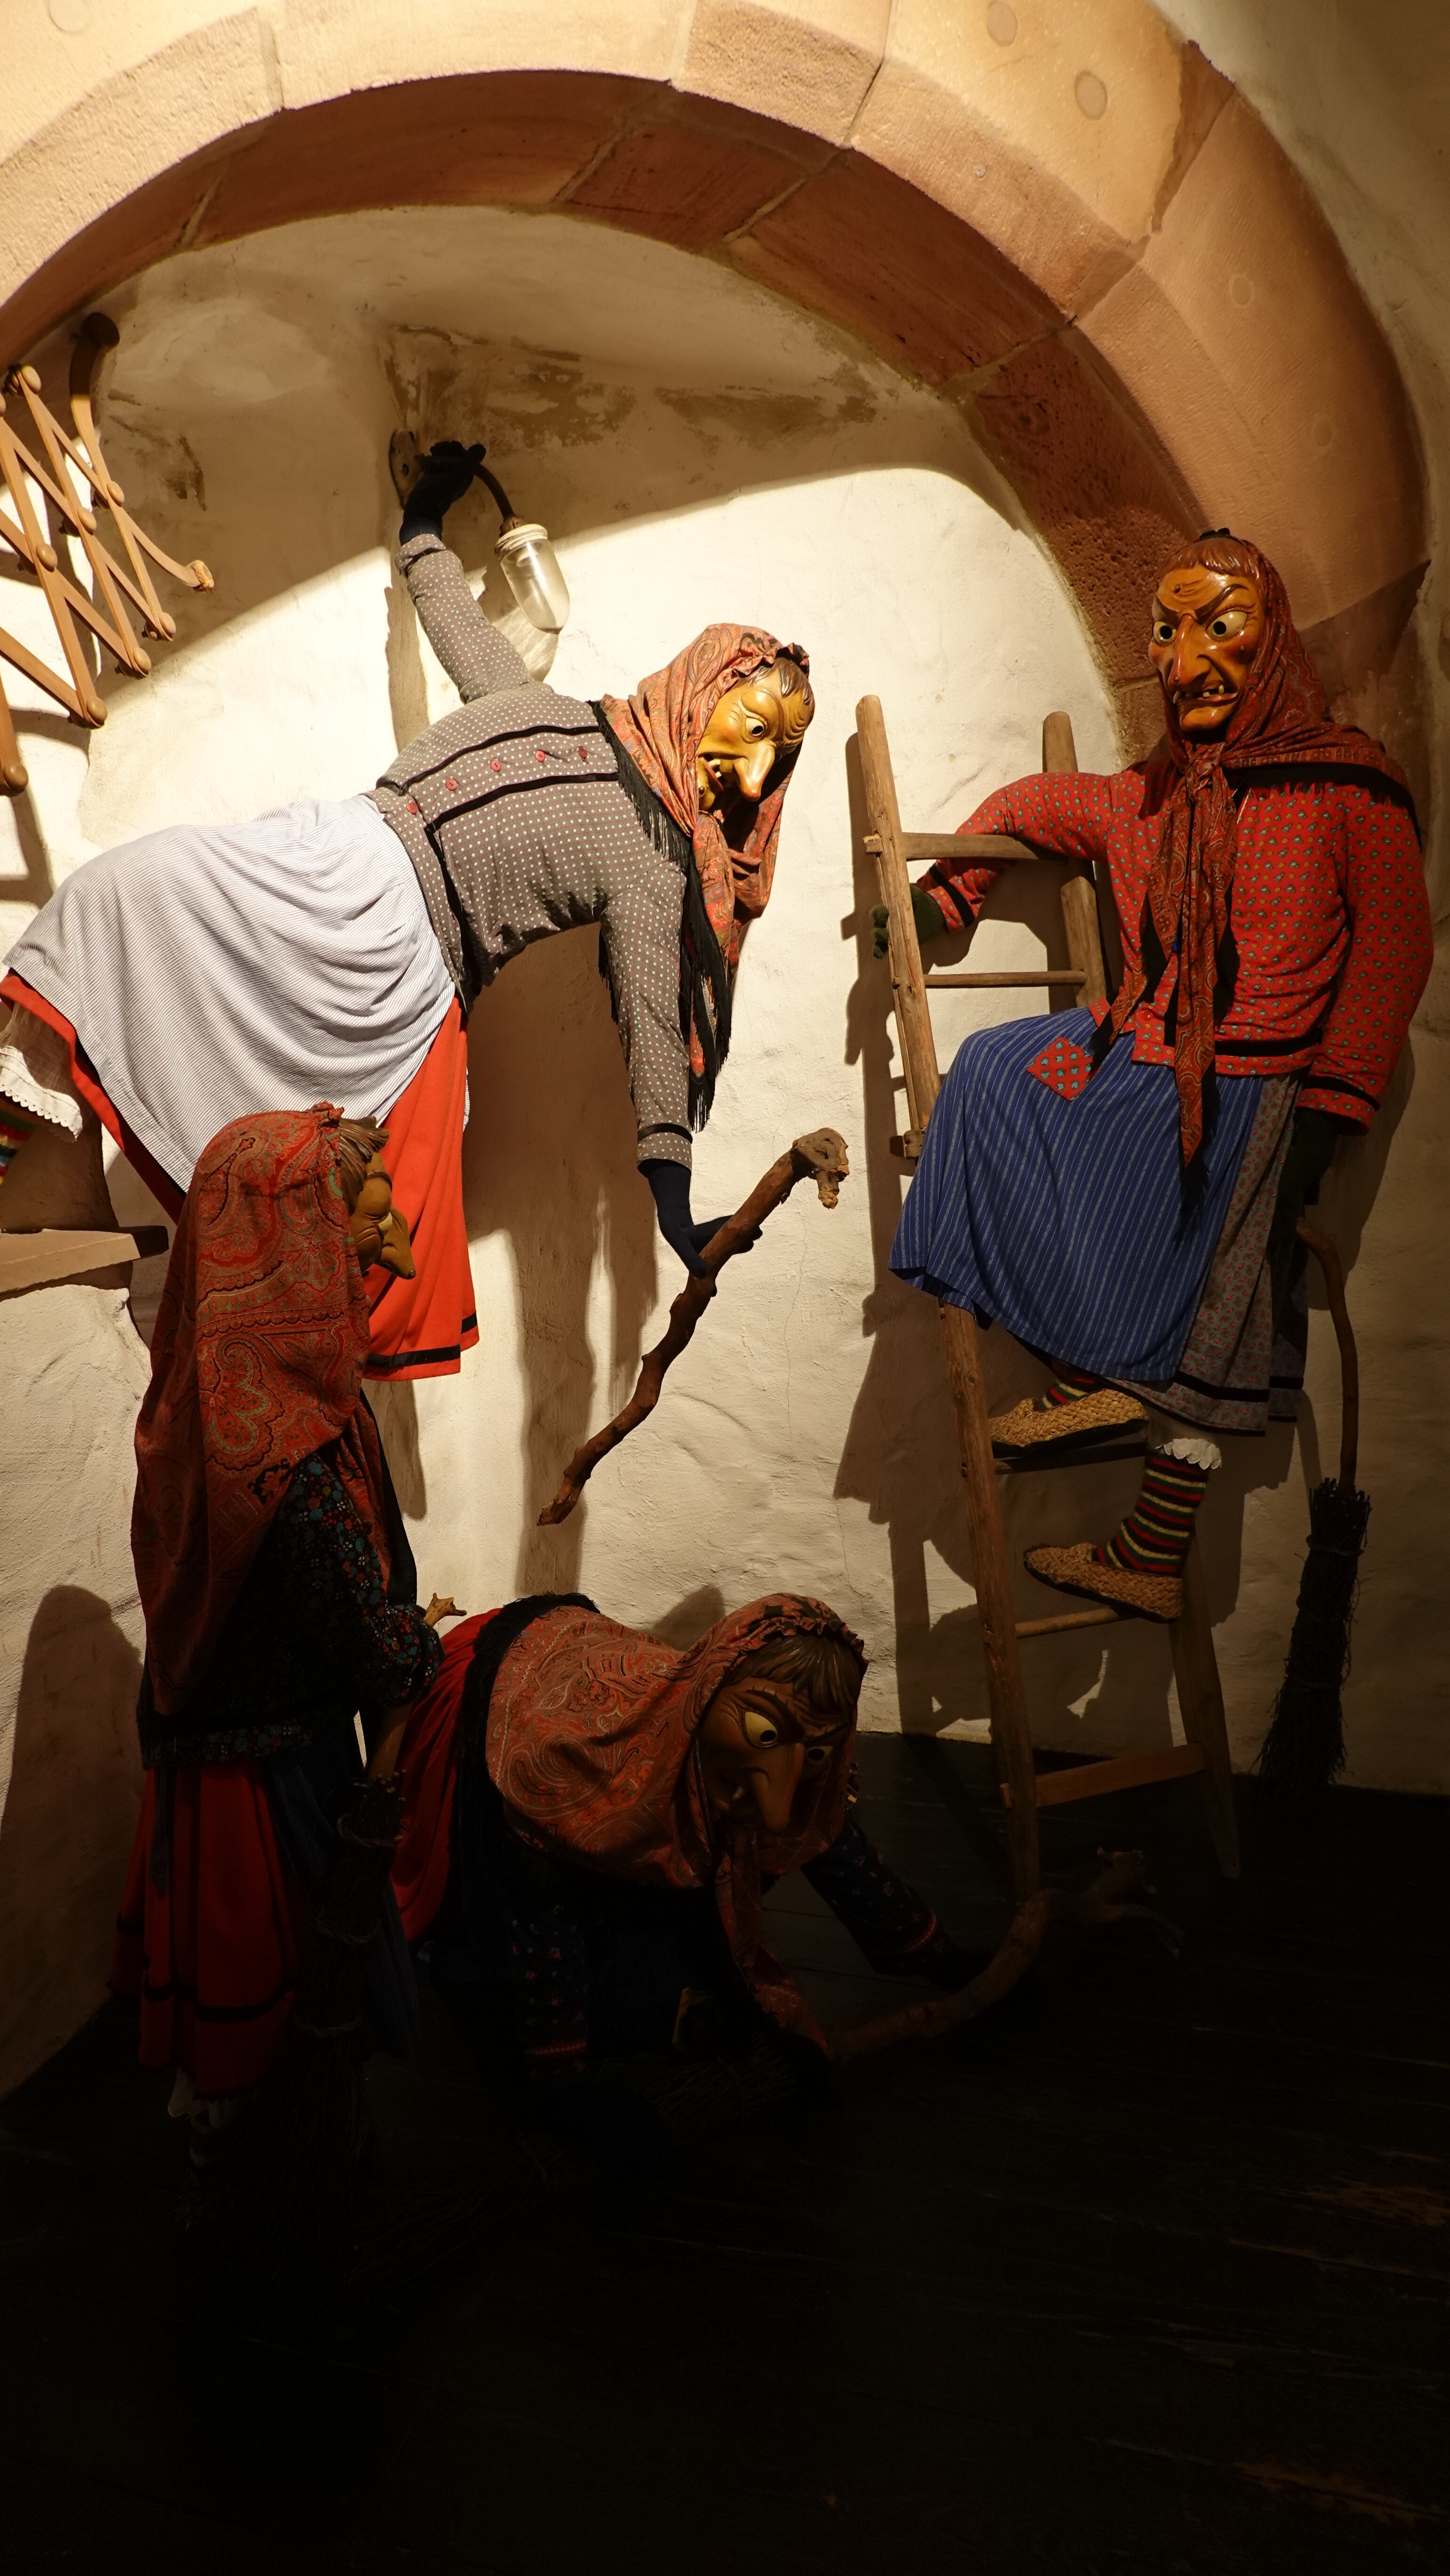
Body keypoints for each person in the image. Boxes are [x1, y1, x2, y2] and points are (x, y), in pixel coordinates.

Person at [0, 443, 814, 1376]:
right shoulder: (533, 701)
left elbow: (654, 1031)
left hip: (403, 957)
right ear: (707, 686)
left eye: (779, 757)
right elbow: (448, 608)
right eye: (755, 728)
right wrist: (427, 513)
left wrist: (674, 1206)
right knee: (112, 894)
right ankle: (15, 1155)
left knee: (341, 1219)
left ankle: (271, 1375)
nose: (755, 771)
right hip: (335, 850)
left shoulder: (654, 861)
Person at [885, 531, 1432, 1620]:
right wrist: (951, 892)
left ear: (1272, 636)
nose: (1188, 661)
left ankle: (1131, 1490)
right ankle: (1091, 1380)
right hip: (1136, 1051)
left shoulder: (1346, 785)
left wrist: (1335, 1103)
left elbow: (1393, 948)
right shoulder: (1155, 794)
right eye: (1169, 633)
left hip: (1251, 1090)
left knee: (1216, 1311)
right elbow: (1035, 804)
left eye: (1220, 627)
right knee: (995, 1070)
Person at [111, 1104, 444, 2183]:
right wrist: (410, 1651)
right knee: (270, 1980)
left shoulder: (203, 1398)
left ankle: (248, 2139)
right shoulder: (283, 1448)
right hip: (269, 1776)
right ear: (289, 1239)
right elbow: (371, 1638)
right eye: (354, 1228)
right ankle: (262, 2168)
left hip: (220, 1744)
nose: (381, 1256)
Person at [386, 1590, 980, 2149]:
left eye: (817, 1750)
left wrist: (934, 1953)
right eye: (764, 1731)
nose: (776, 1807)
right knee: (583, 1959)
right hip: (505, 1673)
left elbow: (817, 1833)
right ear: (708, 1690)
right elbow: (541, 1920)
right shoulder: (565, 1762)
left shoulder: (764, 1751)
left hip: (585, 1649)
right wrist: (562, 2085)